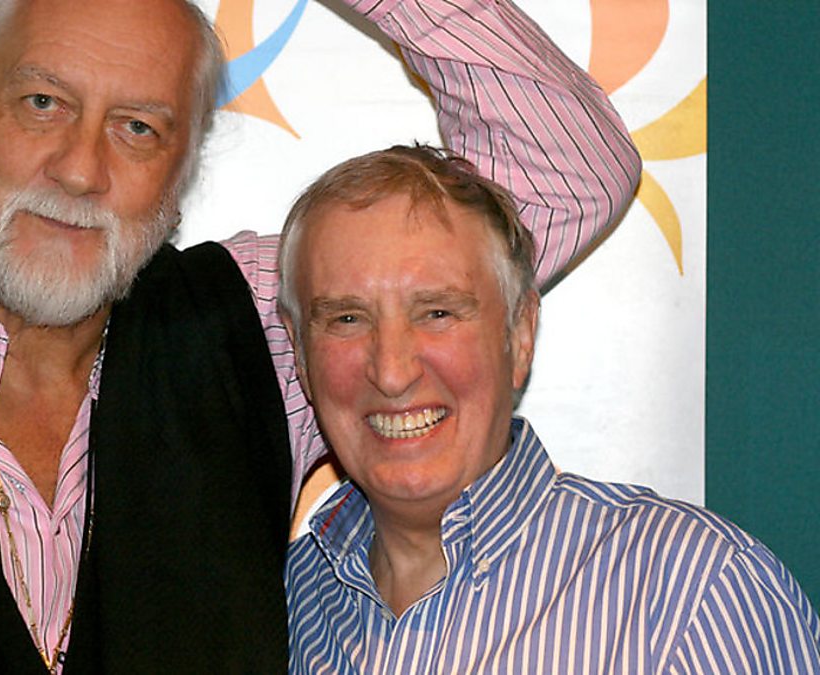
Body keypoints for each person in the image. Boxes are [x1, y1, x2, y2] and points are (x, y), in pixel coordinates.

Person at [0, 0, 640, 672]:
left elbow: (566, 175)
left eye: (138, 127)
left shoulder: (260, 330)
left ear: (181, 173)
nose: (80, 168)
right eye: (42, 103)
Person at [279, 144, 820, 673]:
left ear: (520, 334)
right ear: (299, 354)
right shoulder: (286, 604)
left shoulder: (693, 598)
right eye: (346, 319)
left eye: (438, 312)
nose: (392, 371)